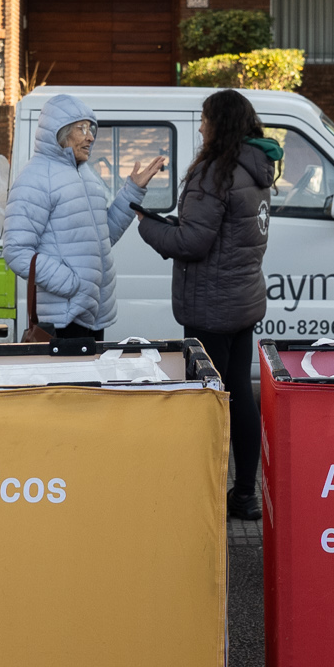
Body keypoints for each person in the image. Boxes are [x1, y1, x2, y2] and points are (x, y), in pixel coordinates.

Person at [137, 89, 278, 520]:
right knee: (240, 397)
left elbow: (192, 243)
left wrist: (146, 225)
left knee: (209, 402)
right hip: (241, 302)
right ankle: (245, 494)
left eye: (204, 119)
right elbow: (222, 234)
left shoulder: (214, 172)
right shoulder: (255, 168)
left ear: (220, 123)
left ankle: (205, 498)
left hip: (210, 308)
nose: (200, 127)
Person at [1, 92, 164, 344]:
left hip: (93, 312)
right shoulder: (35, 178)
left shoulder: (86, 175)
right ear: (60, 132)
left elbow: (104, 236)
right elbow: (16, 251)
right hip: (63, 318)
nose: (91, 137)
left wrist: (132, 191)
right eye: (82, 129)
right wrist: (72, 285)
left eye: (91, 129)